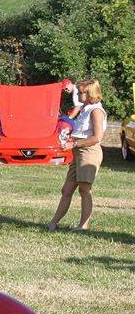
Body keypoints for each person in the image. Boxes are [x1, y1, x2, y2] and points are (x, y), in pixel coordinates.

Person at [44, 79, 106, 232]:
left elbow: (97, 137)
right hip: (78, 152)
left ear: (90, 93)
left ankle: (83, 225)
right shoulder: (85, 109)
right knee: (67, 189)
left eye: (82, 92)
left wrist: (74, 144)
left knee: (84, 190)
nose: (78, 95)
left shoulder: (96, 111)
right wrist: (70, 134)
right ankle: (53, 222)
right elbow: (83, 132)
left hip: (89, 152)